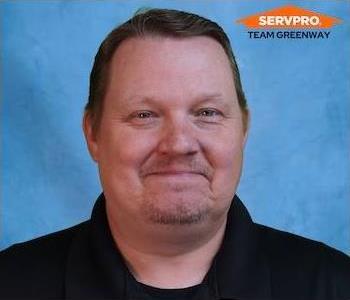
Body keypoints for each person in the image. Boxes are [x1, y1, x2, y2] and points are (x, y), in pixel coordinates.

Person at [1, 8, 349, 300]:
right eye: (144, 115)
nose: (179, 144)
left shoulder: (333, 285)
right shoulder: (10, 283)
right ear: (93, 133)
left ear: (242, 129)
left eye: (207, 113)